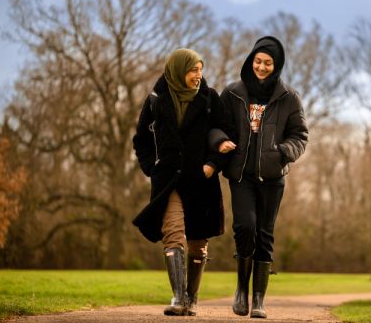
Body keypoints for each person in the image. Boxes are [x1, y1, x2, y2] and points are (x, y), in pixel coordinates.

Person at [212, 36, 308, 319]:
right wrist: (220, 141)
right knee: (244, 227)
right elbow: (215, 125)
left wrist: (283, 152)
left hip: (272, 177)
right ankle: (241, 289)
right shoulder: (232, 93)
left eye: (268, 63)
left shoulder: (289, 97)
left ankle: (258, 300)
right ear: (250, 60)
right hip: (240, 175)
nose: (262, 67)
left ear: (276, 65)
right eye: (258, 61)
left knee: (265, 234)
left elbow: (300, 135)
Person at [132, 48, 233, 316]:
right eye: (192, 70)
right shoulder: (156, 100)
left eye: (200, 70)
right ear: (178, 70)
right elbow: (140, 139)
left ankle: (192, 298)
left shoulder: (210, 99)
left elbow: (225, 135)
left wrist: (212, 165)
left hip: (201, 181)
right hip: (168, 181)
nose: (198, 76)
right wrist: (151, 167)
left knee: (198, 243)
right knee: (173, 232)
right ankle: (178, 298)